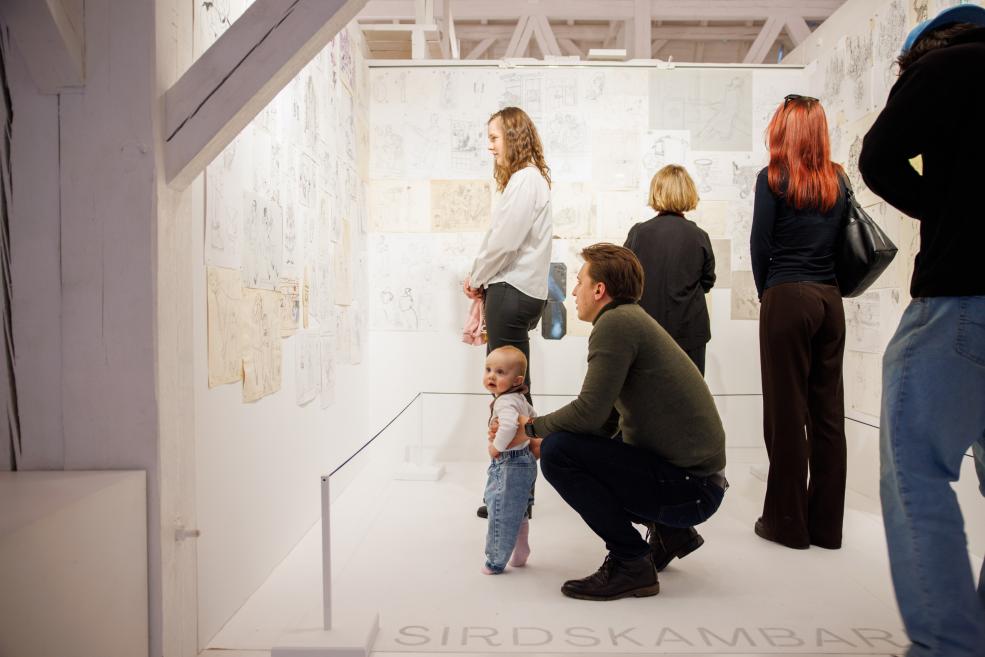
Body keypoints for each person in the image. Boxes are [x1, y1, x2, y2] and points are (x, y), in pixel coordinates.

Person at [858, 6, 985, 656]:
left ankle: (948, 645)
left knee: (915, 469)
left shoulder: (944, 65)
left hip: (961, 295)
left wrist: (943, 209)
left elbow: (878, 158)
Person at [511, 244, 727, 600]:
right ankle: (671, 533)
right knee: (567, 448)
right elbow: (603, 423)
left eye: (580, 282)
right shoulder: (628, 320)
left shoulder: (616, 323)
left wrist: (532, 429)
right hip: (697, 484)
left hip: (692, 490)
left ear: (600, 290)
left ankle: (631, 561)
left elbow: (588, 412)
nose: (573, 292)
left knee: (558, 451)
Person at [750, 94, 848, 551]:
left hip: (787, 295)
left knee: (786, 414)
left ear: (783, 131)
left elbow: (760, 246)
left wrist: (767, 294)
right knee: (827, 414)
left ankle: (787, 524)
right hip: (831, 300)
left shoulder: (772, 179)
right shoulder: (838, 179)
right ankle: (827, 527)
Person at [466, 106, 552, 519]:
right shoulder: (530, 180)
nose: (490, 146)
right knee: (517, 394)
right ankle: (519, 493)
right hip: (522, 291)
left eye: (495, 138)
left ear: (514, 138)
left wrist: (477, 276)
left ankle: (511, 494)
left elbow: (503, 242)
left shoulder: (524, 180)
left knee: (509, 397)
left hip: (510, 289)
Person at [625, 164, 716, 374]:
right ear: (689, 192)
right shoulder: (699, 236)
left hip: (647, 330)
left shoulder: (638, 233)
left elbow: (625, 280)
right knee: (690, 399)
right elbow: (708, 281)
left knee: (646, 398)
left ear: (656, 191)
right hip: (689, 331)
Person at [480, 346, 537, 575]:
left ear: (517, 379)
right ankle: (520, 549)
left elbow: (511, 425)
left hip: (510, 462)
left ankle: (495, 561)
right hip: (524, 461)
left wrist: (496, 447)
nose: (492, 376)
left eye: (501, 372)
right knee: (518, 507)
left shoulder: (505, 402)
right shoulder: (518, 398)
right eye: (488, 369)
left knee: (500, 512)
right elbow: (532, 417)